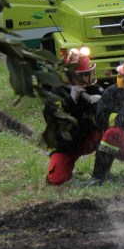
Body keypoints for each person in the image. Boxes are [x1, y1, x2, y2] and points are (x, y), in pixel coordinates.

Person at [42, 50, 104, 185]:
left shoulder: (95, 90)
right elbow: (52, 120)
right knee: (57, 179)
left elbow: (105, 119)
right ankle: (63, 167)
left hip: (89, 139)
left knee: (109, 134)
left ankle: (100, 174)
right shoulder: (58, 92)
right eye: (82, 76)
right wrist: (70, 101)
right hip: (67, 144)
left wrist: (100, 104)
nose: (86, 79)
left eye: (87, 74)